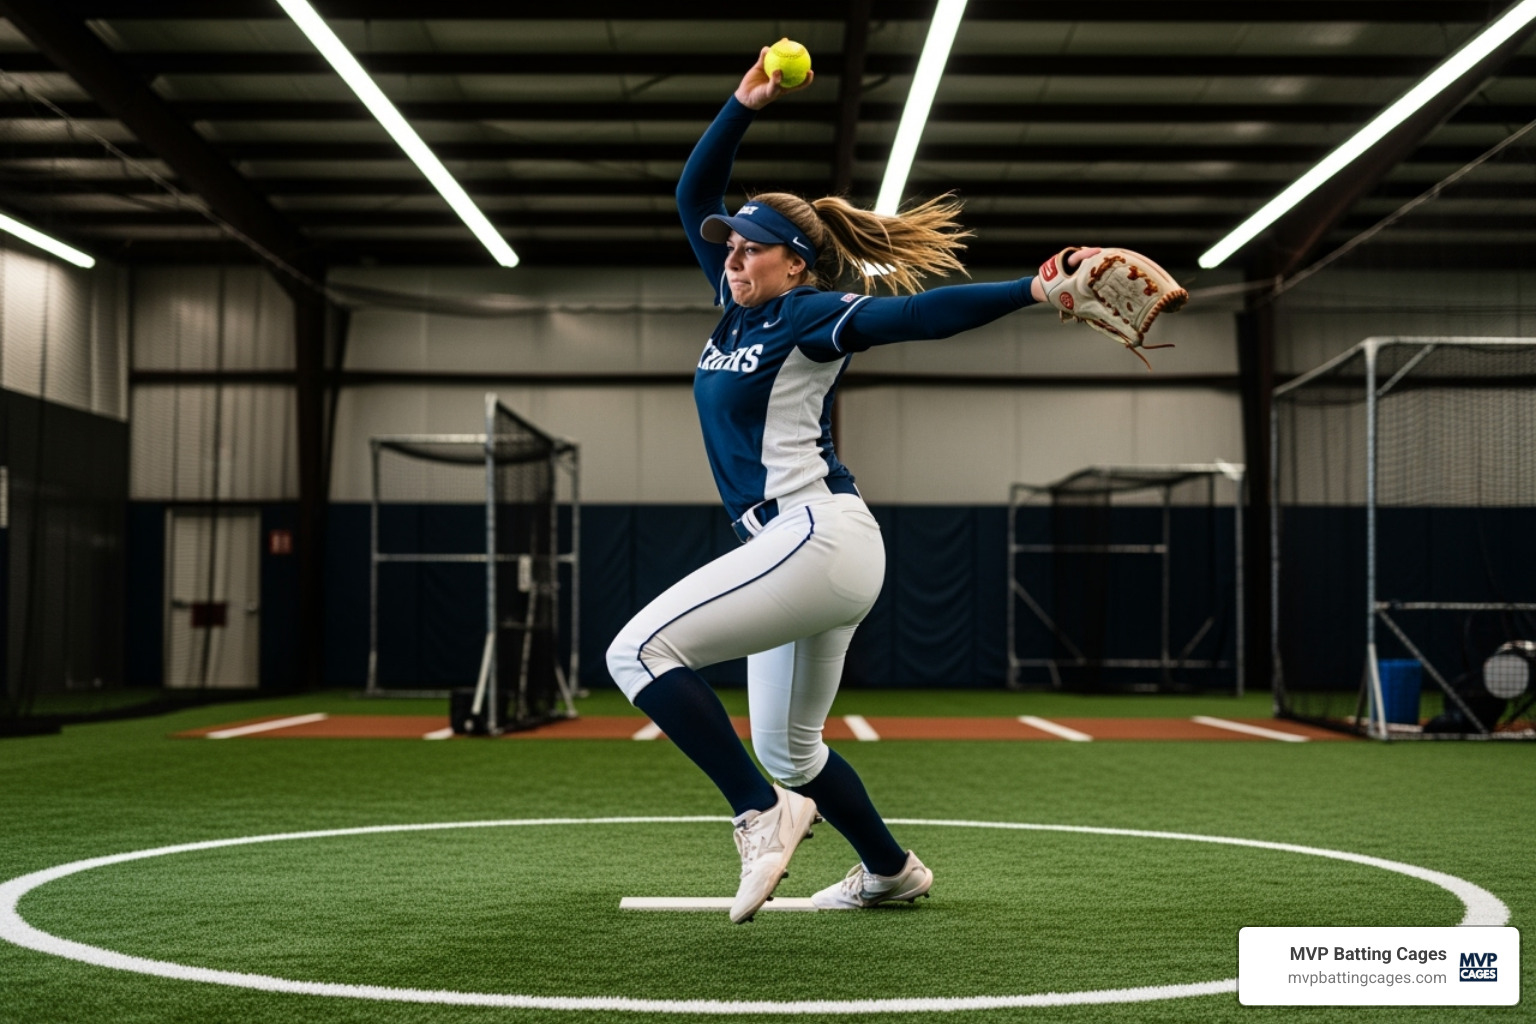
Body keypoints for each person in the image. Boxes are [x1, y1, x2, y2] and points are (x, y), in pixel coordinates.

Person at [606, 48, 1102, 924]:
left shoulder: (807, 316)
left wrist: (1032, 288)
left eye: (753, 248)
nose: (732, 255)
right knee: (790, 749)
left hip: (815, 537)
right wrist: (741, 102)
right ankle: (890, 869)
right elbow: (693, 199)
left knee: (637, 652)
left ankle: (757, 815)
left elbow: (915, 315)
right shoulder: (736, 307)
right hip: (799, 553)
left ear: (796, 265)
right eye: (732, 246)